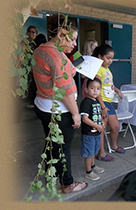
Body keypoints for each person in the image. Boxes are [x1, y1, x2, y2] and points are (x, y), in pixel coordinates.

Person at [32, 13, 88, 193]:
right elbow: (64, 90)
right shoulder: (58, 57)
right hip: (59, 110)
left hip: (42, 105)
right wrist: (75, 113)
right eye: (71, 39)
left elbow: (64, 71)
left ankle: (51, 171)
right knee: (63, 149)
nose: (74, 44)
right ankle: (67, 184)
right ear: (61, 35)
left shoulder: (41, 49)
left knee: (52, 142)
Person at [94, 44, 125, 161]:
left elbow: (109, 84)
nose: (110, 61)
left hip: (109, 103)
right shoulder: (98, 70)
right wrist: (102, 106)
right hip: (102, 103)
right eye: (108, 58)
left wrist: (116, 90)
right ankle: (101, 153)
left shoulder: (107, 69)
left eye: (111, 58)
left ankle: (113, 145)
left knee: (116, 126)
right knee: (102, 128)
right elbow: (96, 89)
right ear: (100, 57)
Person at [80, 77, 105, 181]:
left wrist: (101, 122)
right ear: (86, 89)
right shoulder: (86, 102)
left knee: (94, 151)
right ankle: (88, 171)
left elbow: (96, 116)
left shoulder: (96, 102)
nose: (95, 91)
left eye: (98, 88)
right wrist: (97, 126)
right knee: (89, 153)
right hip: (88, 133)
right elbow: (85, 119)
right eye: (92, 88)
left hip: (96, 132)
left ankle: (93, 166)